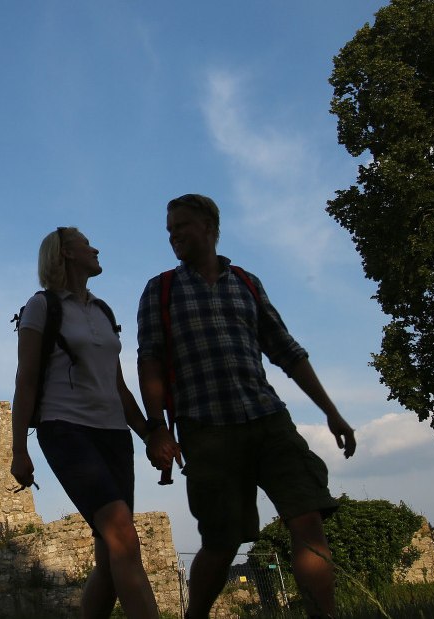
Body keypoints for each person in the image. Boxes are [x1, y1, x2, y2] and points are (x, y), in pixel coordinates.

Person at [136, 194, 356, 619]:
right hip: (206, 429)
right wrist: (156, 427)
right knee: (222, 541)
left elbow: (287, 351)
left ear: (210, 228)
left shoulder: (247, 283)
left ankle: (323, 615)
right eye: (169, 230)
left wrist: (331, 410)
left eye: (181, 226)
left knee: (306, 517)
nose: (174, 235)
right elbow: (150, 360)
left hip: (268, 419)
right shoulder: (160, 290)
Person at [11, 226, 161, 619]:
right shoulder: (41, 306)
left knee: (111, 560)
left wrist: (150, 435)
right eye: (85, 243)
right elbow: (25, 381)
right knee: (124, 539)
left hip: (113, 434)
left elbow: (119, 387)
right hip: (65, 429)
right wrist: (19, 450)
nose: (95, 248)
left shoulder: (103, 310)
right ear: (65, 254)